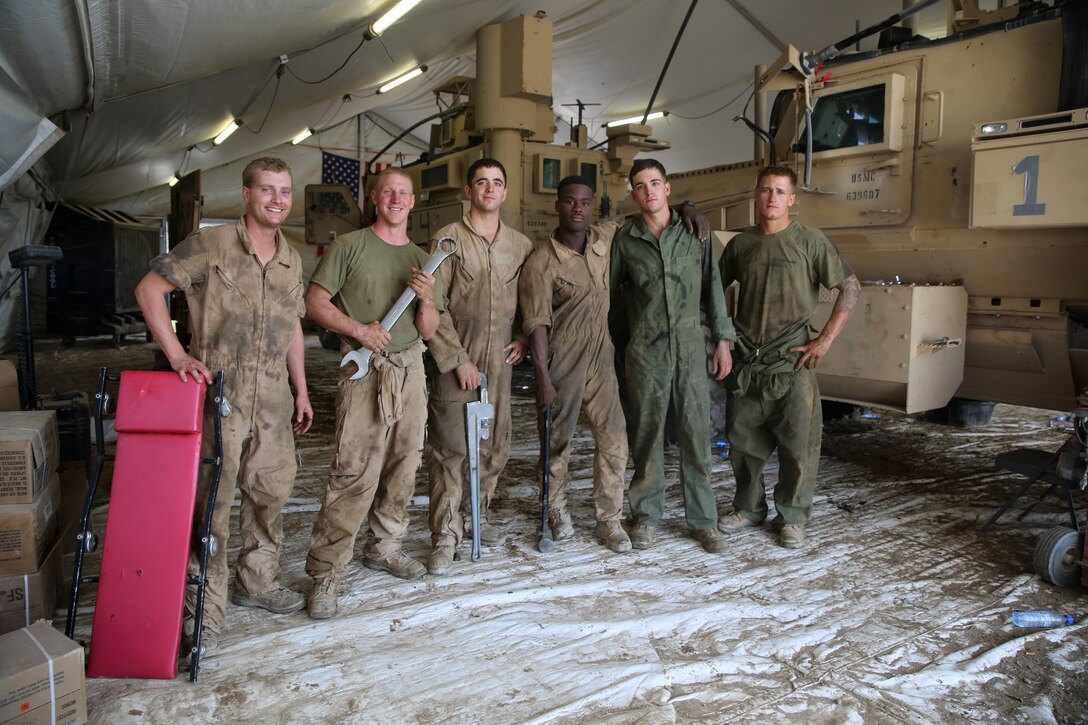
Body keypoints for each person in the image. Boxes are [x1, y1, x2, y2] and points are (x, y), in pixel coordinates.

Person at [134, 157, 313, 658]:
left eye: (285, 191)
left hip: (275, 401)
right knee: (210, 505)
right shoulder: (211, 245)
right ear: (246, 195)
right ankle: (204, 612)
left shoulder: (291, 259)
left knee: (270, 495)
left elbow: (293, 326)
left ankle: (257, 583)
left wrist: (301, 389)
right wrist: (177, 355)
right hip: (221, 399)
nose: (278, 200)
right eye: (268, 191)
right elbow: (150, 289)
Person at [303, 168, 443, 618]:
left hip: (411, 370)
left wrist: (426, 299)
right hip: (365, 373)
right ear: (375, 199)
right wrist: (358, 331)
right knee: (353, 471)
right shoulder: (349, 246)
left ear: (413, 201)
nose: (396, 199)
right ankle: (327, 572)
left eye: (403, 193)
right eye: (388, 193)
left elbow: (429, 330)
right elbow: (315, 302)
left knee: (405, 465)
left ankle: (383, 547)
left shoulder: (424, 259)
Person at [717, 164, 860, 548]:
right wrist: (723, 338)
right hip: (748, 362)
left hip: (792, 361)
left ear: (792, 199)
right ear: (755, 196)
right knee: (743, 445)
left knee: (799, 445)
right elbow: (714, 294)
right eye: (766, 190)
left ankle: (793, 517)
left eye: (780, 192)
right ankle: (748, 509)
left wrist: (825, 340)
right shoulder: (740, 245)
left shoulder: (810, 241)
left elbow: (850, 287)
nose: (772, 198)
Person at [609, 158, 734, 553]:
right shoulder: (625, 240)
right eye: (641, 186)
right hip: (646, 355)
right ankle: (645, 517)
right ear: (633, 194)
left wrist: (723, 341)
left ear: (668, 188)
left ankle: (704, 521)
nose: (649, 191)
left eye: (655, 183)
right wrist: (621, 349)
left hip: (692, 350)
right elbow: (611, 299)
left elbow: (714, 289)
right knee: (647, 437)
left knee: (697, 436)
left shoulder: (694, 232)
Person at [423, 159, 532, 575]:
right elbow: (435, 304)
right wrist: (456, 359)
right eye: (481, 181)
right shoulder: (448, 240)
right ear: (469, 191)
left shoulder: (520, 246)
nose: (490, 189)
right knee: (451, 449)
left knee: (494, 446)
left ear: (505, 193)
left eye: (497, 183)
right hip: (457, 360)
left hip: (500, 363)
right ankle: (445, 535)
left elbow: (530, 301)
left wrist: (521, 337)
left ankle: (474, 517)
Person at [519, 176, 631, 553]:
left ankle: (609, 517)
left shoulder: (605, 238)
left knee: (614, 437)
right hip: (561, 357)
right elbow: (536, 323)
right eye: (570, 201)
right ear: (558, 206)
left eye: (585, 202)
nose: (578, 208)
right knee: (557, 442)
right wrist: (543, 379)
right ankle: (555, 507)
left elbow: (644, 217)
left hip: (602, 355)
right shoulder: (541, 263)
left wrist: (687, 208)